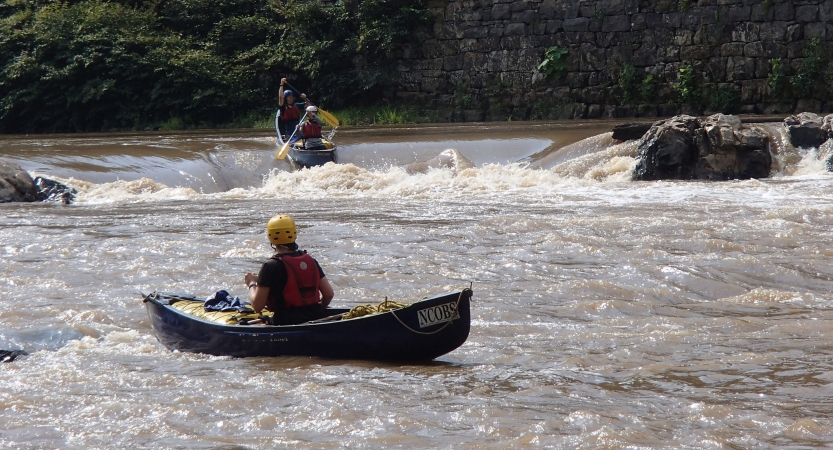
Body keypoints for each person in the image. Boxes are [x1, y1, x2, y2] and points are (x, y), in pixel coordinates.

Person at [244, 214, 335, 325]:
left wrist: (252, 283)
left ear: (270, 237)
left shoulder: (270, 265)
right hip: (316, 317)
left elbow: (257, 306)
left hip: (286, 323)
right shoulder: (310, 260)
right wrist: (316, 309)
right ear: (294, 234)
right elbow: (329, 294)